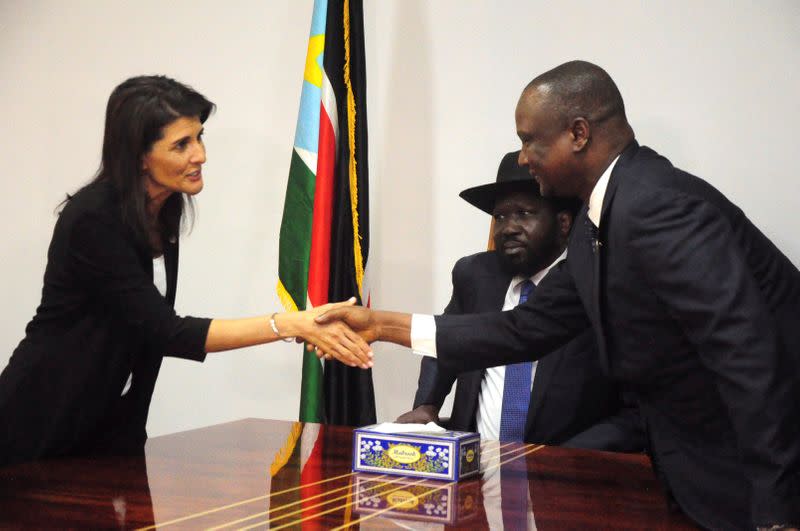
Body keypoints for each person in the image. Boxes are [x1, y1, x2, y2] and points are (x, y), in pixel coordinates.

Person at [316, 61, 800, 530]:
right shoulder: (598, 223)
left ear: (579, 133)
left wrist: (777, 516)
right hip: (696, 476)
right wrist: (382, 326)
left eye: (529, 140)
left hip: (754, 482)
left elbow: (749, 359)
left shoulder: (655, 205)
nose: (523, 157)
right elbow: (524, 327)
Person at [0, 75, 372, 467]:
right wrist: (291, 324)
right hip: (40, 424)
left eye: (199, 137)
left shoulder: (163, 209)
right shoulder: (93, 219)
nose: (201, 155)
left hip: (110, 430)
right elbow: (166, 332)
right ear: (139, 156)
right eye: (182, 144)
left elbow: (142, 339)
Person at [396, 150, 642, 452]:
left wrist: (559, 458)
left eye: (524, 214)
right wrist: (427, 404)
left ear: (564, 223)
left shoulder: (594, 286)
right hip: (476, 468)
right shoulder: (474, 275)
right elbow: (445, 345)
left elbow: (634, 411)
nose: (508, 228)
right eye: (500, 217)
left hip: (563, 471)